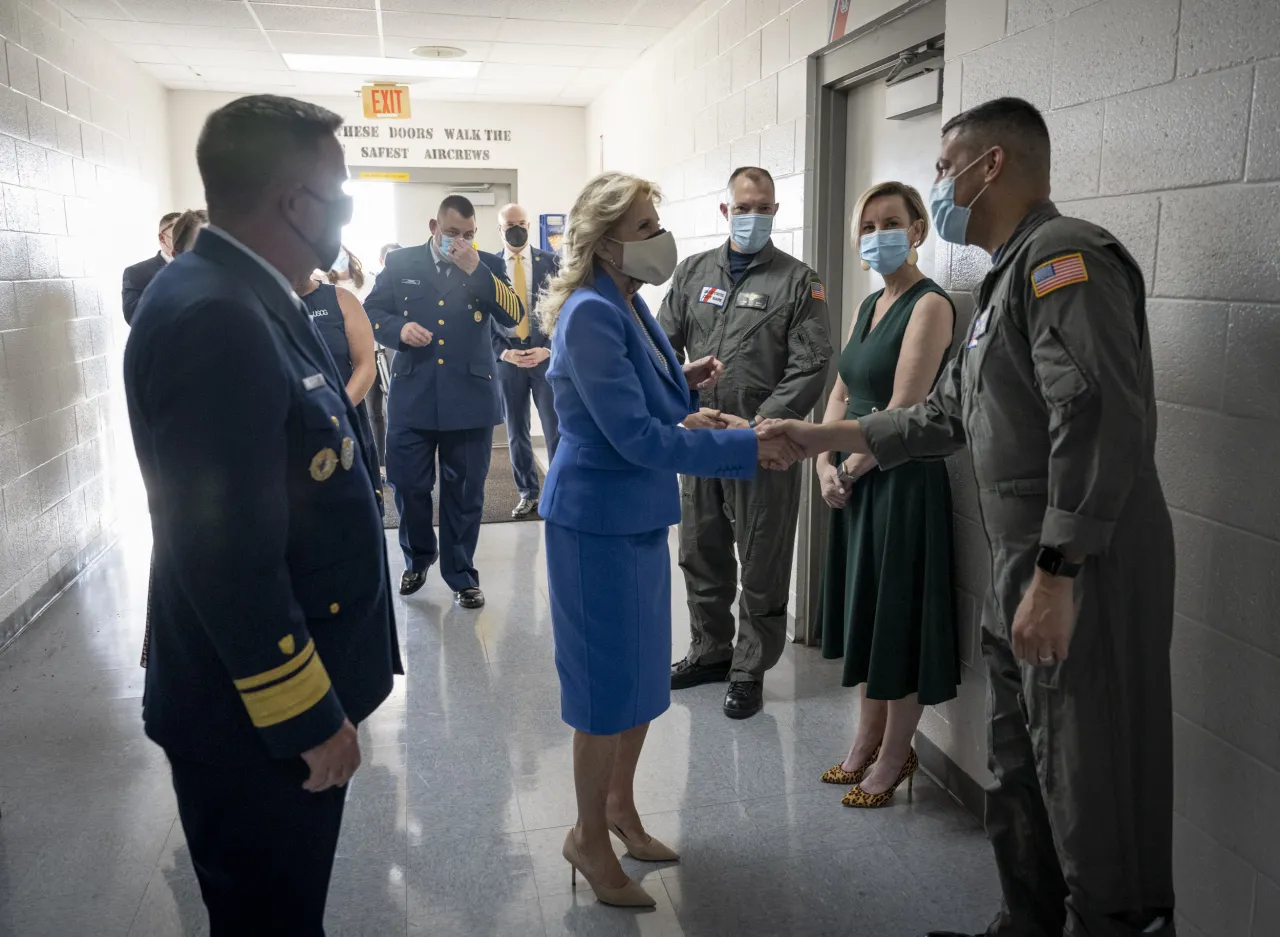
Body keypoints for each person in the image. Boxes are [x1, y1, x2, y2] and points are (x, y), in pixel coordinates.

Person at [758, 97, 1175, 937]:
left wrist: (1058, 573)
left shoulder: (1063, 258)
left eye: (945, 170)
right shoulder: (1001, 283)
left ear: (993, 166)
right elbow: (937, 417)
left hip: (1083, 562)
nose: (937, 187)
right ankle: (1024, 922)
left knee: (1094, 774)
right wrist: (817, 434)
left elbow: (1094, 419)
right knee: (1022, 764)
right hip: (1025, 556)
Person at [123, 95, 401, 936]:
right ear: (295, 202)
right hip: (257, 719)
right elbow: (225, 555)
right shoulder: (216, 316)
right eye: (342, 191)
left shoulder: (254, 293)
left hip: (272, 701)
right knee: (269, 919)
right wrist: (309, 717)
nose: (346, 208)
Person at [536, 170, 797, 909]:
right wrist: (743, 447)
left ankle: (620, 807)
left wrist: (687, 387)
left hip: (638, 516)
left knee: (643, 680)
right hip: (594, 521)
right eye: (647, 228)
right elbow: (631, 436)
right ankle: (586, 835)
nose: (661, 240)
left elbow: (641, 396)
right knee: (602, 693)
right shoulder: (589, 312)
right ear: (608, 240)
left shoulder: (630, 302)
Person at [659, 166, 834, 720]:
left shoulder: (799, 282)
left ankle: (749, 668)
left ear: (775, 212)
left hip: (765, 447)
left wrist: (761, 428)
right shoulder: (691, 273)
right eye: (743, 207)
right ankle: (710, 652)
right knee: (700, 551)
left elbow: (811, 366)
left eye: (763, 208)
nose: (752, 216)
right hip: (703, 443)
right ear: (725, 210)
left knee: (762, 559)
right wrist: (685, 405)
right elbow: (660, 349)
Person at [813, 181, 958, 807]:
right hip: (855, 474)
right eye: (868, 225)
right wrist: (823, 461)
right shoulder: (868, 304)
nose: (878, 235)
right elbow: (842, 392)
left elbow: (902, 408)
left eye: (891, 222)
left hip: (898, 478)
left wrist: (850, 467)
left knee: (896, 616)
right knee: (867, 613)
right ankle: (865, 738)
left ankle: (897, 754)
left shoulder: (931, 305)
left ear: (919, 229)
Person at [364, 195, 525, 608]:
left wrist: (478, 273)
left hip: (469, 397)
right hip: (413, 395)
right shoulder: (401, 263)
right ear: (434, 226)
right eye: (452, 233)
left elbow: (513, 314)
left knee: (466, 492)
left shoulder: (486, 262)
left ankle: (461, 574)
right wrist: (398, 329)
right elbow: (372, 312)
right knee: (409, 485)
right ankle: (418, 557)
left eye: (469, 235)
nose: (460, 242)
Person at [492, 202, 560, 519]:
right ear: (500, 229)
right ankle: (528, 493)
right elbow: (481, 317)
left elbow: (562, 309)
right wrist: (503, 352)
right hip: (508, 359)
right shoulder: (488, 266)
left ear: (529, 225)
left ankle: (561, 490)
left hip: (544, 356)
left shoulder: (552, 262)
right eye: (509, 225)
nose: (516, 229)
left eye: (521, 223)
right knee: (516, 431)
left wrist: (548, 348)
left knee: (554, 427)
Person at [295, 269, 379, 512]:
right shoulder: (259, 301)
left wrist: (336, 411)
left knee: (353, 515)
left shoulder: (340, 299)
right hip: (288, 429)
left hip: (343, 420)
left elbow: (365, 366)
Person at [365, 242, 403, 472]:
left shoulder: (403, 286)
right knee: (373, 410)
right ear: (381, 260)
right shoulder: (374, 283)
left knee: (393, 406)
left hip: (390, 350)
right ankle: (378, 463)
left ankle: (395, 459)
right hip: (368, 350)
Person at [122, 211, 180, 324]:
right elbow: (132, 316)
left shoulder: (203, 269)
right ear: (162, 238)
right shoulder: (136, 272)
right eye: (178, 232)